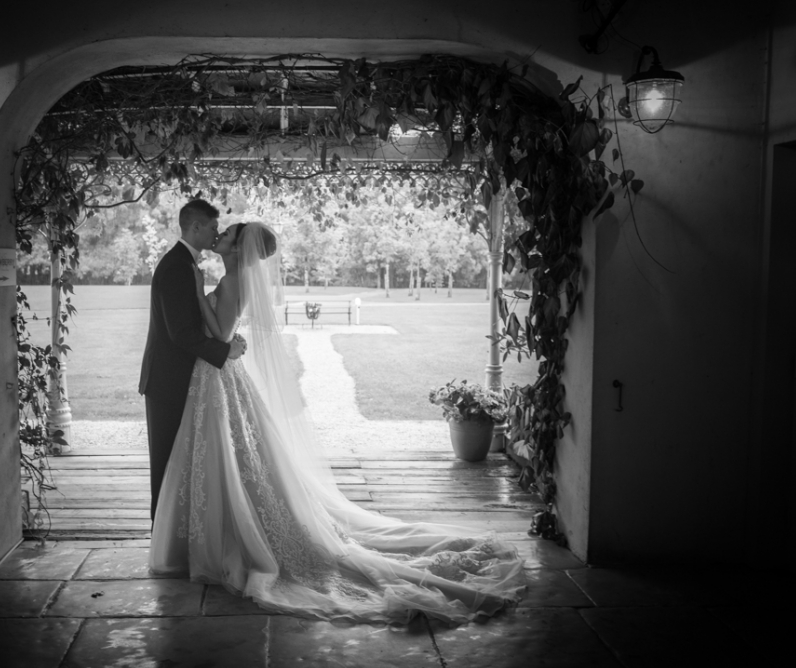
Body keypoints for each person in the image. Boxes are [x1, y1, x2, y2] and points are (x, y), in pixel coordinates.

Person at [149, 221, 524, 625]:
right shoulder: (231, 275)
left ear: (239, 249)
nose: (220, 234)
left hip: (217, 375)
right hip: (214, 376)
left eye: (229, 233)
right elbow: (224, 333)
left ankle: (234, 536)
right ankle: (222, 531)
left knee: (235, 457)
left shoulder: (235, 278)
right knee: (231, 458)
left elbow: (222, 331)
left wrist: (199, 298)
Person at [139, 199, 247, 524]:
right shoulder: (176, 267)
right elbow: (180, 333)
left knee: (182, 462)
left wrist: (225, 341)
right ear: (196, 227)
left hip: (181, 378)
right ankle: (163, 537)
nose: (216, 233)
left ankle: (179, 534)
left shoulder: (186, 263)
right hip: (168, 381)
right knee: (166, 464)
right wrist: (223, 350)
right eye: (213, 227)